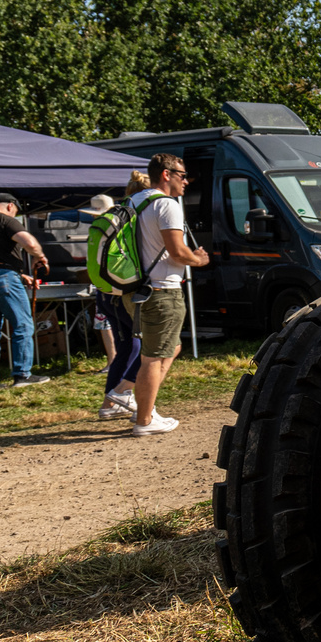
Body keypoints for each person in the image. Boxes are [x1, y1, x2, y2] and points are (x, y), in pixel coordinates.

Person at [126, 155, 209, 436]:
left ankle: (142, 406)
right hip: (162, 290)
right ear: (166, 174)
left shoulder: (135, 201)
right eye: (182, 175)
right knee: (153, 358)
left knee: (169, 349)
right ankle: (144, 420)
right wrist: (198, 259)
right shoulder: (167, 205)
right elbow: (177, 252)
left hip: (136, 288)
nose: (186, 181)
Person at [0, 192, 51, 388]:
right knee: (22, 325)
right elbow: (29, 243)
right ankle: (22, 375)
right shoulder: (4, 220)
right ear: (9, 206)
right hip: (2, 279)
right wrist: (39, 256)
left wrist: (20, 275)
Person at [95, 177, 146, 420]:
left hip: (106, 292)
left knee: (127, 346)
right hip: (125, 292)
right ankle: (122, 392)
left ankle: (109, 404)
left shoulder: (109, 220)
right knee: (150, 347)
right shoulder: (136, 218)